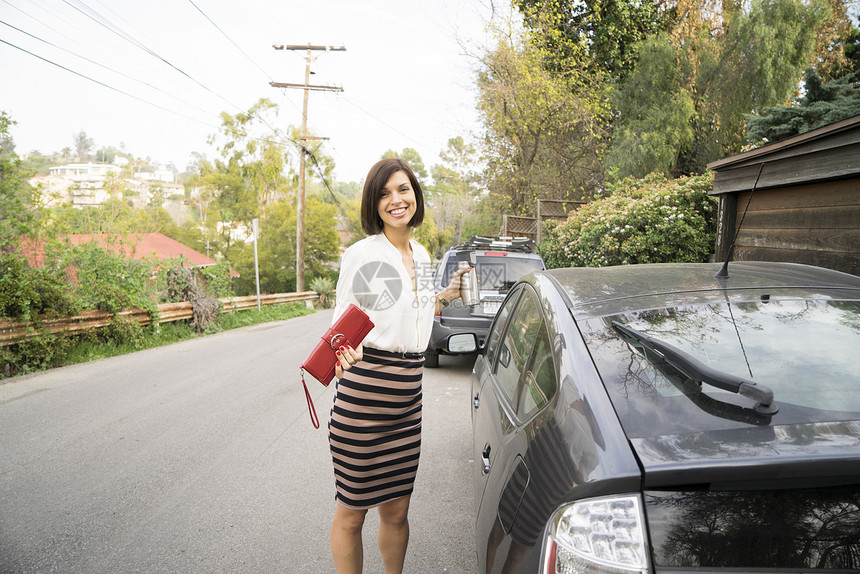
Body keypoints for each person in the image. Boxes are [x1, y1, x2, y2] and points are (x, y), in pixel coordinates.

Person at [327, 157, 468, 574]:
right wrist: (341, 356)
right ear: (375, 204)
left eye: (403, 189)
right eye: (385, 193)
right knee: (352, 513)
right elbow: (339, 330)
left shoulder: (422, 254)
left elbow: (421, 311)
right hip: (364, 399)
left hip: (408, 400)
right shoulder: (362, 254)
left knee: (397, 512)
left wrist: (448, 294)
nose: (396, 200)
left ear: (415, 195)